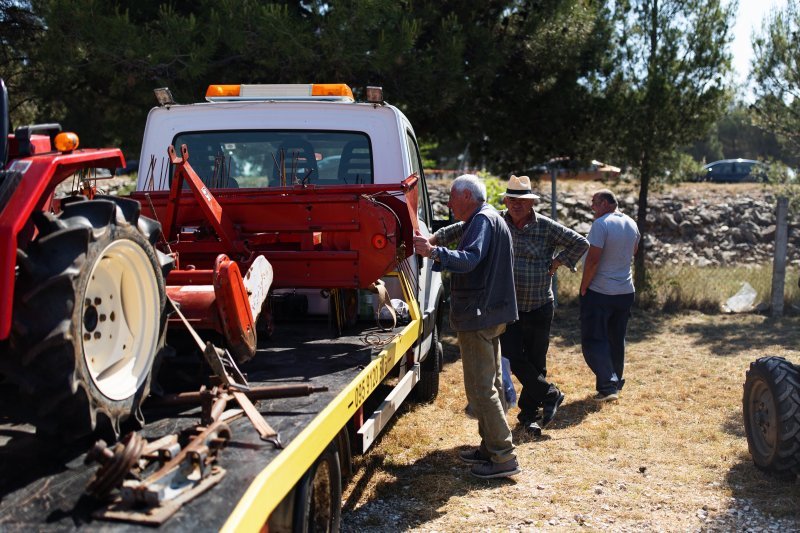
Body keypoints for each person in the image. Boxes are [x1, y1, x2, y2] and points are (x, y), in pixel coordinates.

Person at [434, 175, 589, 436]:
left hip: (539, 304)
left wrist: (558, 262)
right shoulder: (495, 219)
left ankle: (529, 415)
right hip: (508, 306)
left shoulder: (546, 226)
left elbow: (580, 242)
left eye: (522, 200)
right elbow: (459, 229)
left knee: (536, 362)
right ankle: (550, 394)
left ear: (531, 203)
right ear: (505, 201)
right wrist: (434, 239)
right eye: (512, 200)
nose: (517, 205)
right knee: (514, 357)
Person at [413, 174, 520, 479]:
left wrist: (433, 252)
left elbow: (470, 258)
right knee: (494, 384)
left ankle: (503, 456)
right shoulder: (484, 217)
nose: (448, 202)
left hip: (479, 316)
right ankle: (490, 448)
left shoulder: (483, 222)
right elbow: (460, 230)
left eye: (452, 197)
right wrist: (435, 238)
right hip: (491, 313)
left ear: (467, 197)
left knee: (480, 389)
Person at [579, 189, 640, 402]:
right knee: (616, 338)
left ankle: (607, 386)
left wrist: (584, 287)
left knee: (593, 339)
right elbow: (633, 251)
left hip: (601, 291)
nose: (592, 207)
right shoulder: (631, 223)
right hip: (625, 291)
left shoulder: (601, 224)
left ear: (605, 203)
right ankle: (615, 382)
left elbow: (593, 260)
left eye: (594, 202)